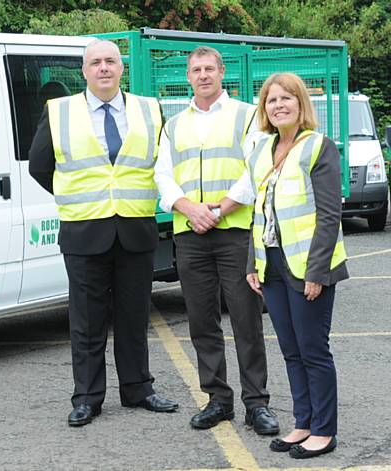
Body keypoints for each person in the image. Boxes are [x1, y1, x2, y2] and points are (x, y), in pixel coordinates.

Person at [29, 39, 178, 427]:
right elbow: (39, 167)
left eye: (111, 61)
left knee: (134, 317)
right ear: (84, 71)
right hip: (84, 231)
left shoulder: (149, 110)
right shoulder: (59, 111)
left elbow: (163, 166)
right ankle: (88, 398)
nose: (104, 68)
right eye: (95, 62)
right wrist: (78, 196)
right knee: (87, 322)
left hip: (135, 228)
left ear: (121, 68)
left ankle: (138, 388)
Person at [220, 72, 348, 458]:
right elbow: (258, 213)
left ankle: (324, 431)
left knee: (313, 349)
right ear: (265, 109)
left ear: (300, 104)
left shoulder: (318, 147)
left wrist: (317, 272)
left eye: (286, 98)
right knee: (291, 350)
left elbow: (329, 216)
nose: (278, 105)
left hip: (308, 264)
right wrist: (251, 263)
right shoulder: (261, 150)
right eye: (271, 100)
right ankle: (303, 423)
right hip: (271, 263)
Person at [154, 46, 279, 435]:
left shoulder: (247, 115)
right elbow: (163, 176)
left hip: (235, 231)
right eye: (196, 69)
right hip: (190, 232)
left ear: (222, 73)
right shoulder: (174, 124)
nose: (203, 75)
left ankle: (256, 403)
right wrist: (191, 209)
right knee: (201, 319)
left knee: (245, 318)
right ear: (188, 76)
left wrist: (220, 209)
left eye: (210, 68)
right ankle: (218, 399)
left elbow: (255, 167)